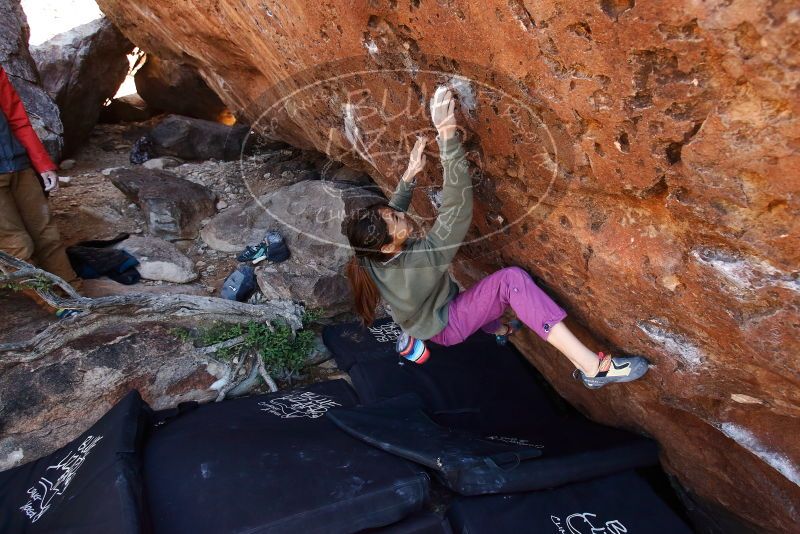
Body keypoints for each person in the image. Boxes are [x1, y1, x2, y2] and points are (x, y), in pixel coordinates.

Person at [343, 86, 648, 389]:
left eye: (391, 213)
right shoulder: (419, 263)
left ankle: (499, 328)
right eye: (396, 220)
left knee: (478, 298)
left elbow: (390, 214)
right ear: (388, 247)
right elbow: (456, 209)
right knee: (510, 282)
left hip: (425, 312)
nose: (400, 215)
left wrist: (409, 176)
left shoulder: (368, 252)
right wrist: (447, 134)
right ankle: (593, 368)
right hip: (447, 323)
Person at [0, 65, 80, 298]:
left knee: (47, 235)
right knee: (16, 245)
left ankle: (75, 295)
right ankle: (55, 304)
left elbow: (18, 119)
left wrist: (43, 165)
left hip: (19, 165)